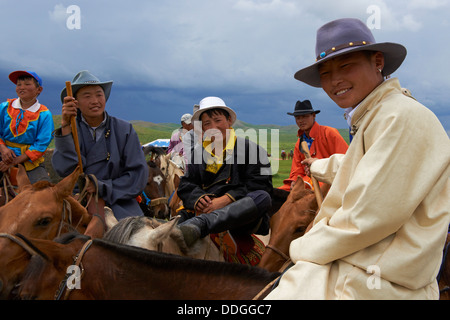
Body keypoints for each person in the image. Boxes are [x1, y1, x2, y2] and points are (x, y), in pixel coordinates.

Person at [266, 18, 450, 300]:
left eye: (345, 66)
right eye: (325, 73)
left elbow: (367, 218)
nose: (334, 80)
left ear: (377, 61)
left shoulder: (398, 116)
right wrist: (316, 165)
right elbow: (358, 165)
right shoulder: (375, 116)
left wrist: (302, 248)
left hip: (377, 276)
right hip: (360, 259)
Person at [177, 96, 273, 247]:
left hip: (239, 216)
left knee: (262, 197)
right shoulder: (198, 153)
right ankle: (199, 222)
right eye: (207, 123)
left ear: (229, 121)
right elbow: (186, 184)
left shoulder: (251, 149)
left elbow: (261, 185)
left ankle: (202, 223)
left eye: (218, 120)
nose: (213, 127)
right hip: (206, 209)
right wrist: (199, 198)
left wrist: (226, 199)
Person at [52, 70, 148, 220]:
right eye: (87, 96)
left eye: (99, 94)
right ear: (75, 102)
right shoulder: (71, 130)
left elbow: (137, 175)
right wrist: (65, 126)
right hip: (79, 201)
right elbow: (66, 170)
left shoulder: (124, 129)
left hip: (119, 201)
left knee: (135, 238)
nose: (95, 101)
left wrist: (102, 186)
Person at [279, 100, 348, 191]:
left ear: (313, 116)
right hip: (306, 181)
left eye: (305, 116)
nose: (301, 121)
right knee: (279, 192)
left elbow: (345, 160)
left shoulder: (329, 133)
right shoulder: (299, 142)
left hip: (329, 180)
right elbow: (297, 170)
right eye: (298, 118)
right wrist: (295, 181)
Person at [0, 70, 54, 183]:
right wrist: (3, 149)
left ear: (39, 90)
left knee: (43, 189)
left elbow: (42, 143)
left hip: (29, 160)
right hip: (3, 155)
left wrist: (16, 161)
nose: (21, 87)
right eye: (19, 84)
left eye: (27, 84)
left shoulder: (44, 114)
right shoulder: (4, 107)